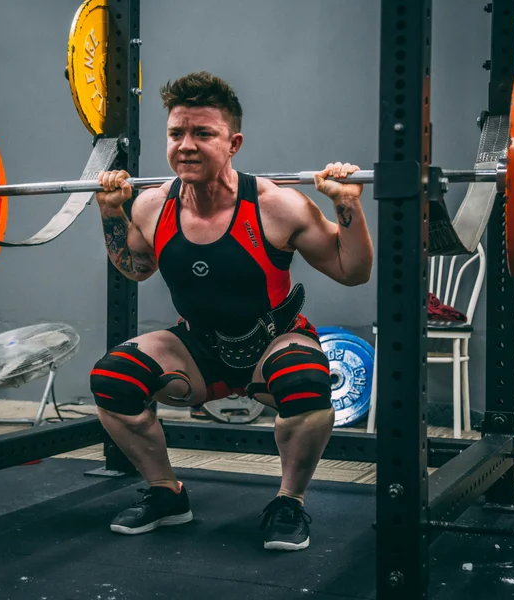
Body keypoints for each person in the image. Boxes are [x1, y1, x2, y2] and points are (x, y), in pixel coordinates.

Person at [89, 71, 373, 551]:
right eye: (177, 133)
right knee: (114, 379)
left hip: (273, 340)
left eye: (203, 134)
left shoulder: (277, 205)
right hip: (197, 345)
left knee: (304, 379)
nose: (187, 146)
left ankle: (290, 501)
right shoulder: (152, 206)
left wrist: (347, 207)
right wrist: (109, 214)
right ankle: (167, 494)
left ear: (233, 142)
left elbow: (352, 270)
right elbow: (135, 269)